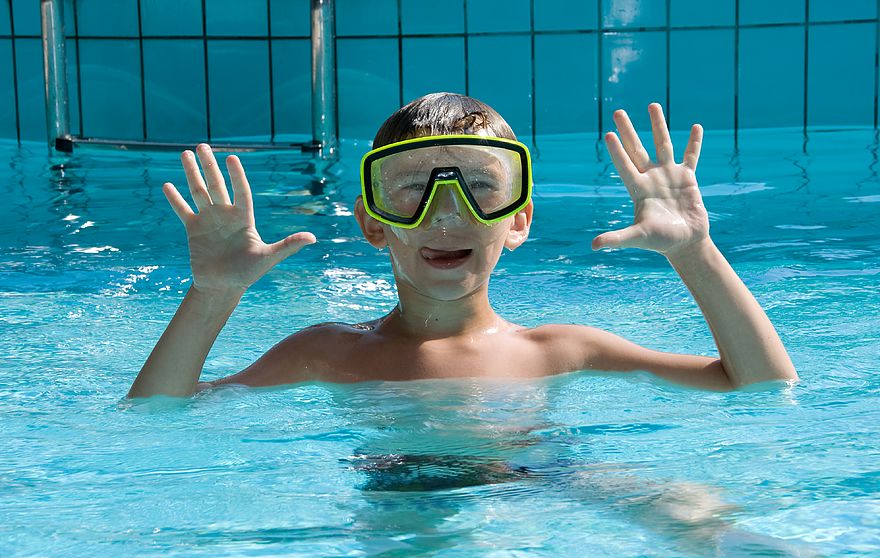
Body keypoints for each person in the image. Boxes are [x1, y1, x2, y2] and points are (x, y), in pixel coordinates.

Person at [127, 92, 798, 399]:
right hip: (391, 521)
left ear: (518, 220)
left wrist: (695, 253)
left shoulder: (561, 351)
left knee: (689, 511)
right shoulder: (325, 351)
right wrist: (212, 295)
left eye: (480, 188)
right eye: (412, 190)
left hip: (538, 490)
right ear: (373, 223)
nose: (446, 216)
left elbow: (764, 385)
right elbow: (157, 413)